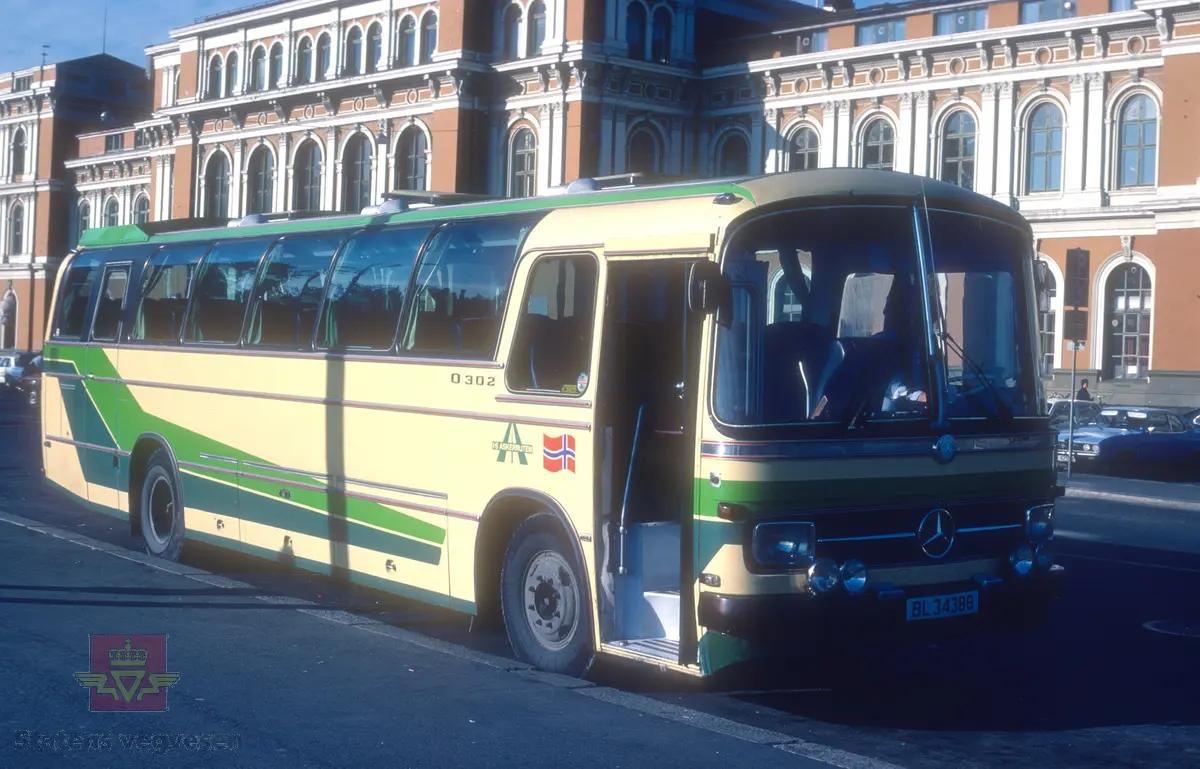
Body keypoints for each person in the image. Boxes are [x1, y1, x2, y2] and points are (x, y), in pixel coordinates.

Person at [875, 277, 928, 413]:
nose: (885, 311)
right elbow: (889, 388)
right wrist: (917, 395)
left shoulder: (930, 346)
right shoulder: (879, 346)